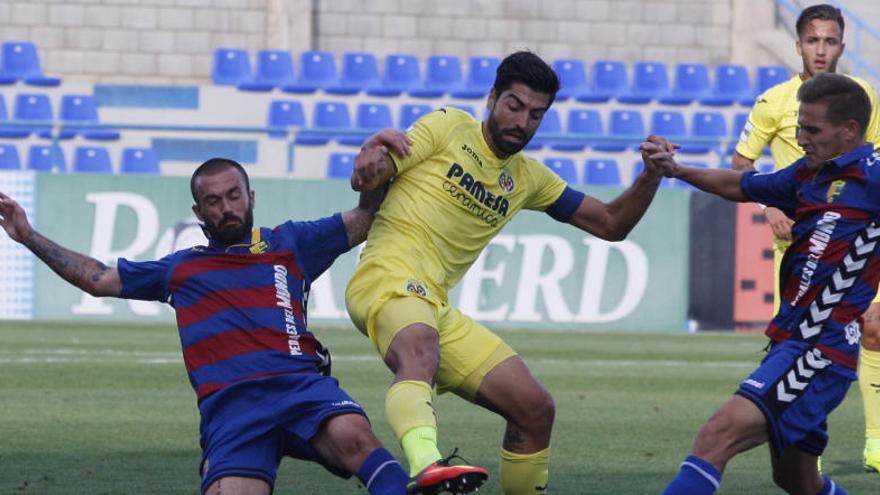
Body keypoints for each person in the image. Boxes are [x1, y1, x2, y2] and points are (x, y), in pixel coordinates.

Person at [345, 50, 670, 495]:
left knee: (534, 409)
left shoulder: (529, 178)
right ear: (492, 97)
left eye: (536, 114)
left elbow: (612, 224)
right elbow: (379, 169)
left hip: (432, 304)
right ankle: (427, 468)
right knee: (419, 351)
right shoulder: (448, 126)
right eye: (514, 106)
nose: (522, 121)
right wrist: (370, 158)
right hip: (385, 277)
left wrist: (650, 177)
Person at [0, 157, 411, 495]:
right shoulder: (181, 268)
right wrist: (27, 235)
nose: (226, 207)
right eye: (212, 201)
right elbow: (98, 279)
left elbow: (366, 215)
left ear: (250, 196)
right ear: (199, 212)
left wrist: (378, 166)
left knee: (355, 437)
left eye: (233, 195)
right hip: (232, 409)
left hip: (300, 387)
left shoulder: (291, 243)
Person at [653, 72, 878, 494]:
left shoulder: (874, 176)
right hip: (792, 341)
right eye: (799, 127)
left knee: (716, 436)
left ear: (849, 131)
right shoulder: (807, 175)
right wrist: (676, 169)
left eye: (812, 129)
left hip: (818, 349)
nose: (801, 137)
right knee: (796, 480)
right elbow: (741, 183)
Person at [731, 3, 880, 472]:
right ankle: (802, 457)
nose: (821, 49)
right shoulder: (774, 101)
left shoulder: (864, 100)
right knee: (797, 348)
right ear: (798, 46)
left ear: (842, 44)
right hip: (801, 254)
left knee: (874, 328)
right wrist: (771, 205)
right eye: (812, 40)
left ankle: (875, 441)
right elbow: (741, 166)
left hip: (858, 247)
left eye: (830, 40)